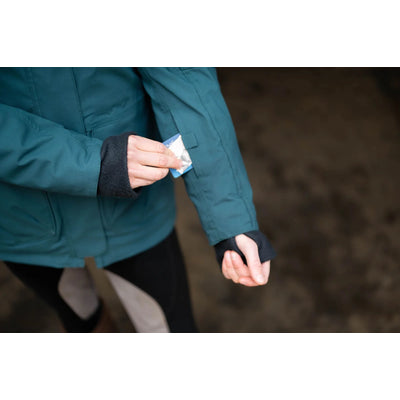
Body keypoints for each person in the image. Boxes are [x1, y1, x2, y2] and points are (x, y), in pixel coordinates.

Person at [0, 67, 277, 333]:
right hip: (25, 216)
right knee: (80, 319)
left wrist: (230, 219)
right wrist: (93, 163)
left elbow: (183, 79)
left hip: (132, 212)